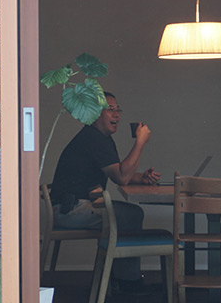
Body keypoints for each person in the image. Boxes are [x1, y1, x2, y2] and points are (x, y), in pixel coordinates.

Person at [49, 91, 160, 289]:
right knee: (130, 215)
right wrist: (140, 143)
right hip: (69, 210)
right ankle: (126, 282)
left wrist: (140, 177)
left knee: (129, 213)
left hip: (73, 206)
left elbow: (116, 170)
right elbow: (121, 177)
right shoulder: (94, 139)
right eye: (110, 109)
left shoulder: (99, 138)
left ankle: (118, 278)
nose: (116, 114)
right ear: (94, 113)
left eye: (118, 110)